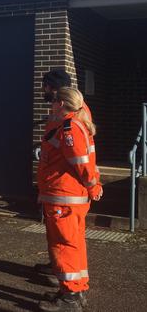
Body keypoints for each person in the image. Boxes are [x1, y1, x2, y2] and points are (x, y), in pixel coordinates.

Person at [37, 87, 102, 312]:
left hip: (64, 197)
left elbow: (81, 163)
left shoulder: (69, 128)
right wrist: (93, 185)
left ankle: (70, 296)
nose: (50, 104)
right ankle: (76, 288)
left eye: (54, 100)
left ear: (62, 104)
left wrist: (93, 185)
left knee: (63, 245)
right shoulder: (76, 124)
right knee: (74, 243)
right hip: (68, 197)